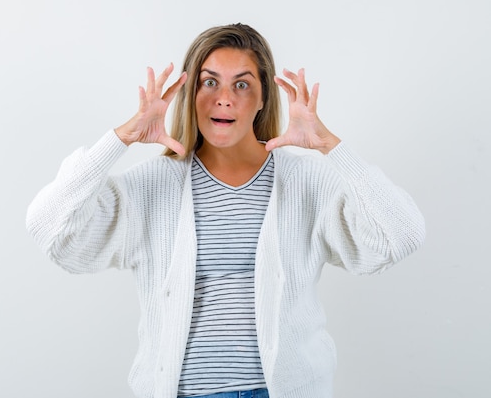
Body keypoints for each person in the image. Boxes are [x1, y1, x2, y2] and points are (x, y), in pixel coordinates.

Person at [25, 23, 425, 398]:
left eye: (243, 84)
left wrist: (331, 147)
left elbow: (400, 237)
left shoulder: (305, 182)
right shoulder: (152, 185)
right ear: (188, 93)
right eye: (210, 81)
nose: (225, 98)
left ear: (264, 97)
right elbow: (50, 231)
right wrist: (120, 138)